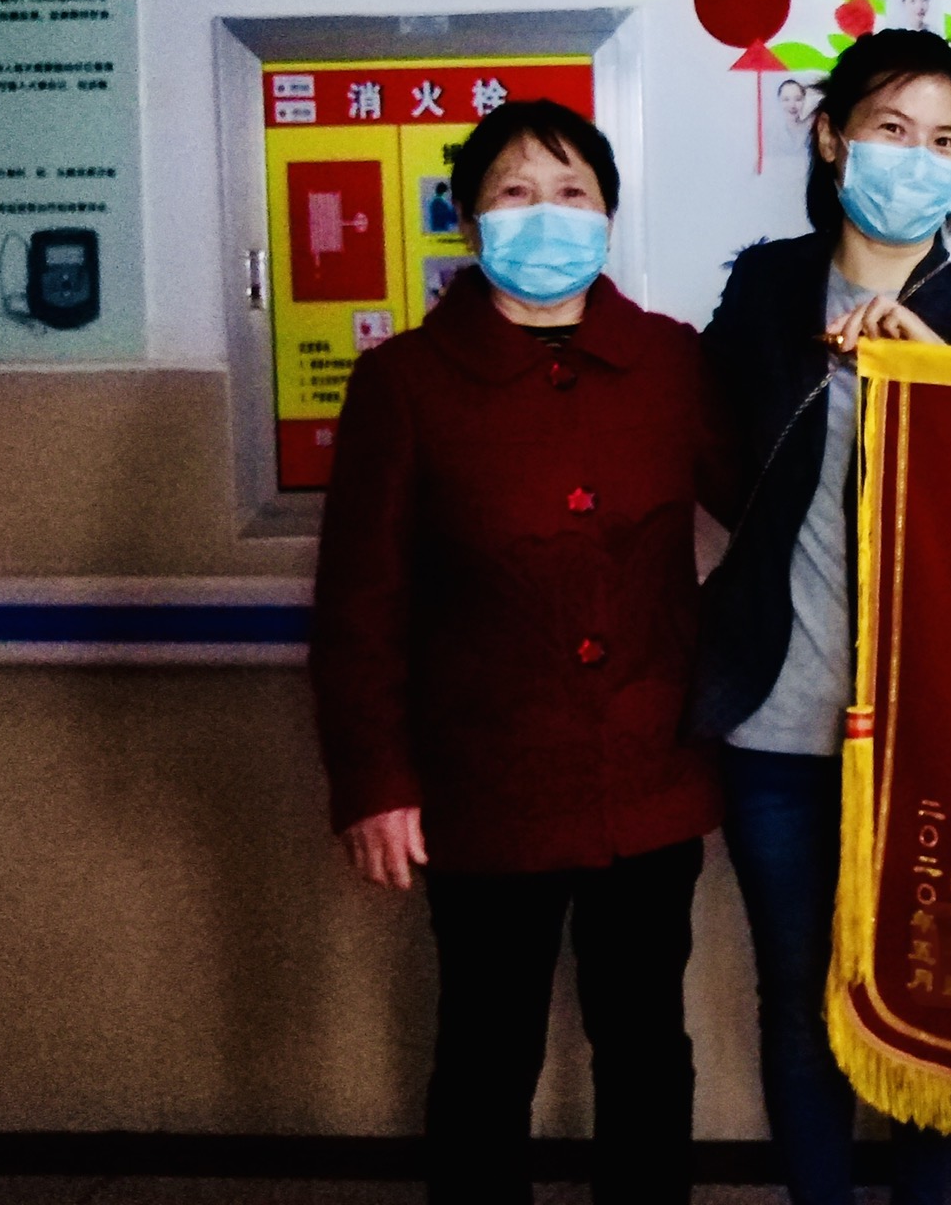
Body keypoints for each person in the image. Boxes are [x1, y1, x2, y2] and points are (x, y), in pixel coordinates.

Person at [312, 99, 734, 1205]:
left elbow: (771, 508)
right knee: (487, 1050)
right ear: (467, 219)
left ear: (608, 216)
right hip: (483, 781)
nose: (545, 215)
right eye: (514, 192)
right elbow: (360, 603)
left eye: (571, 193)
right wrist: (375, 782)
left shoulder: (671, 361)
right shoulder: (404, 382)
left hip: (647, 773)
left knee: (645, 1043)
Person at [692, 29, 951, 1205]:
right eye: (893, 129)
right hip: (778, 727)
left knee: (934, 1005)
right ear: (834, 138)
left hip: (935, 735)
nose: (918, 158)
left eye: (945, 140)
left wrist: (938, 376)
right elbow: (714, 462)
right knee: (798, 1001)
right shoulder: (765, 290)